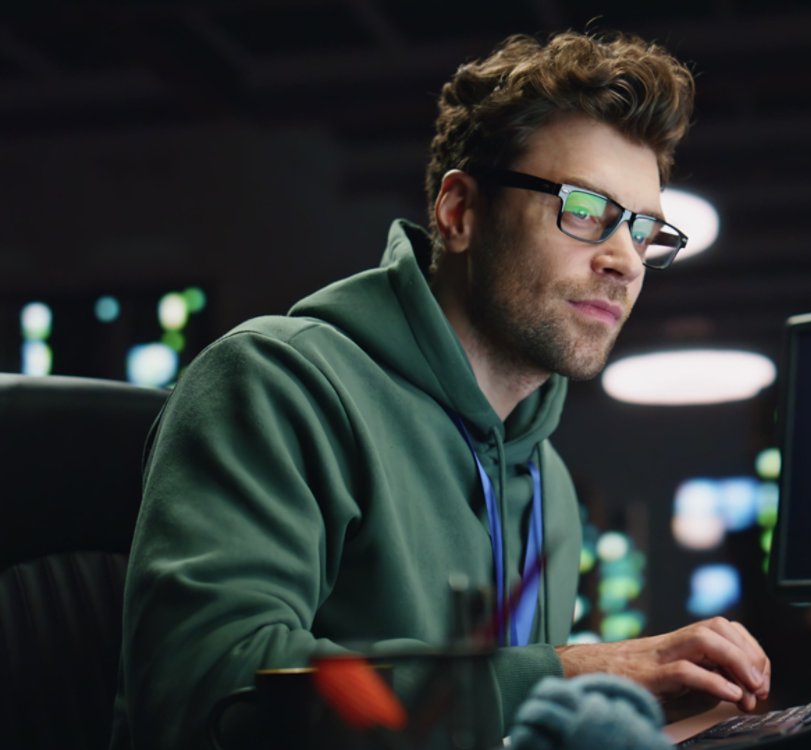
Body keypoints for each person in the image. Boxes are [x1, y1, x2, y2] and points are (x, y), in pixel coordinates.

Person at [109, 29, 771, 750]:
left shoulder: (545, 478)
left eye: (643, 231)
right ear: (459, 213)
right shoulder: (278, 383)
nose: (624, 260)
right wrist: (566, 675)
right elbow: (206, 689)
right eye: (584, 209)